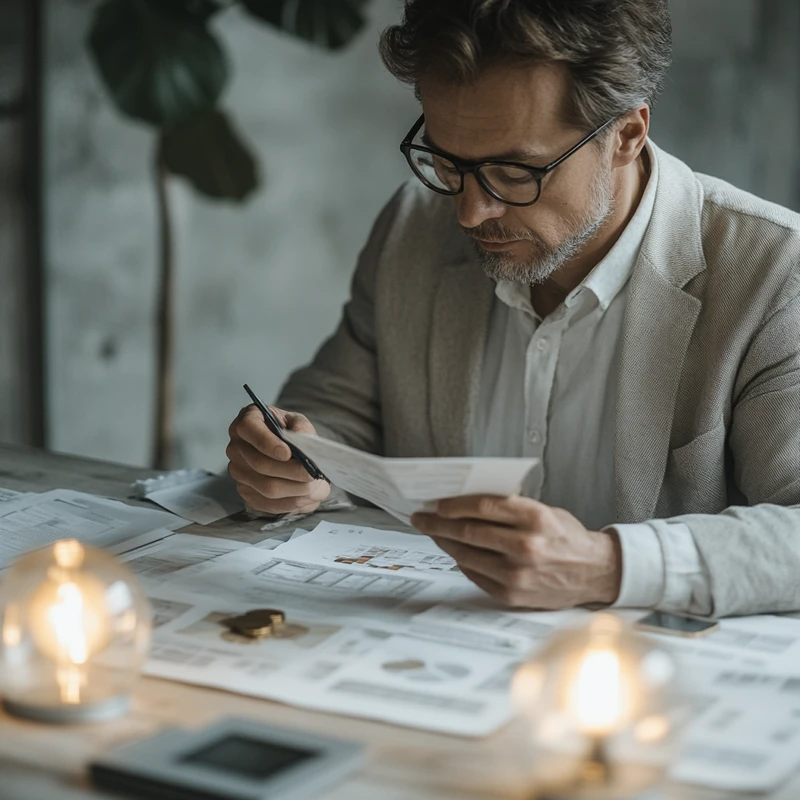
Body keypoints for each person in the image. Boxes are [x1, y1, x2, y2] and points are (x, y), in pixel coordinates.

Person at [227, 0, 800, 619]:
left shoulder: (773, 272)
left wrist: (606, 566)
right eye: (448, 161)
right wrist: (299, 468)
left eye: (514, 171)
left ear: (627, 135)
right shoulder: (415, 230)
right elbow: (339, 410)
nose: (470, 213)